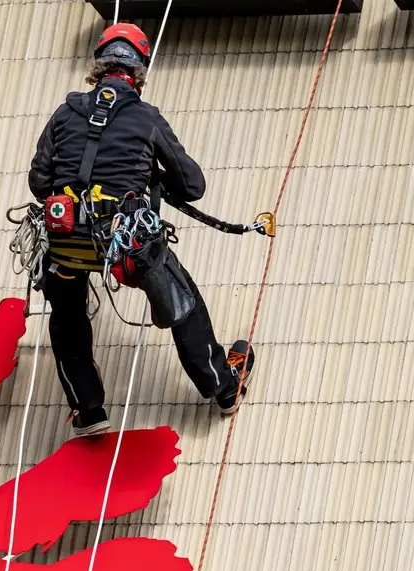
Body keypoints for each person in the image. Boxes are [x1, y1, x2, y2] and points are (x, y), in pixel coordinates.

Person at [28, 22, 255, 434]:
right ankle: (224, 387)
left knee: (66, 313)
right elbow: (193, 186)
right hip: (126, 246)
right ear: (139, 73)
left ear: (98, 68)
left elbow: (40, 183)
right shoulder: (145, 117)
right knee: (182, 302)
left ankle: (88, 410)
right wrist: (150, 177)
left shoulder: (65, 113)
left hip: (66, 242)